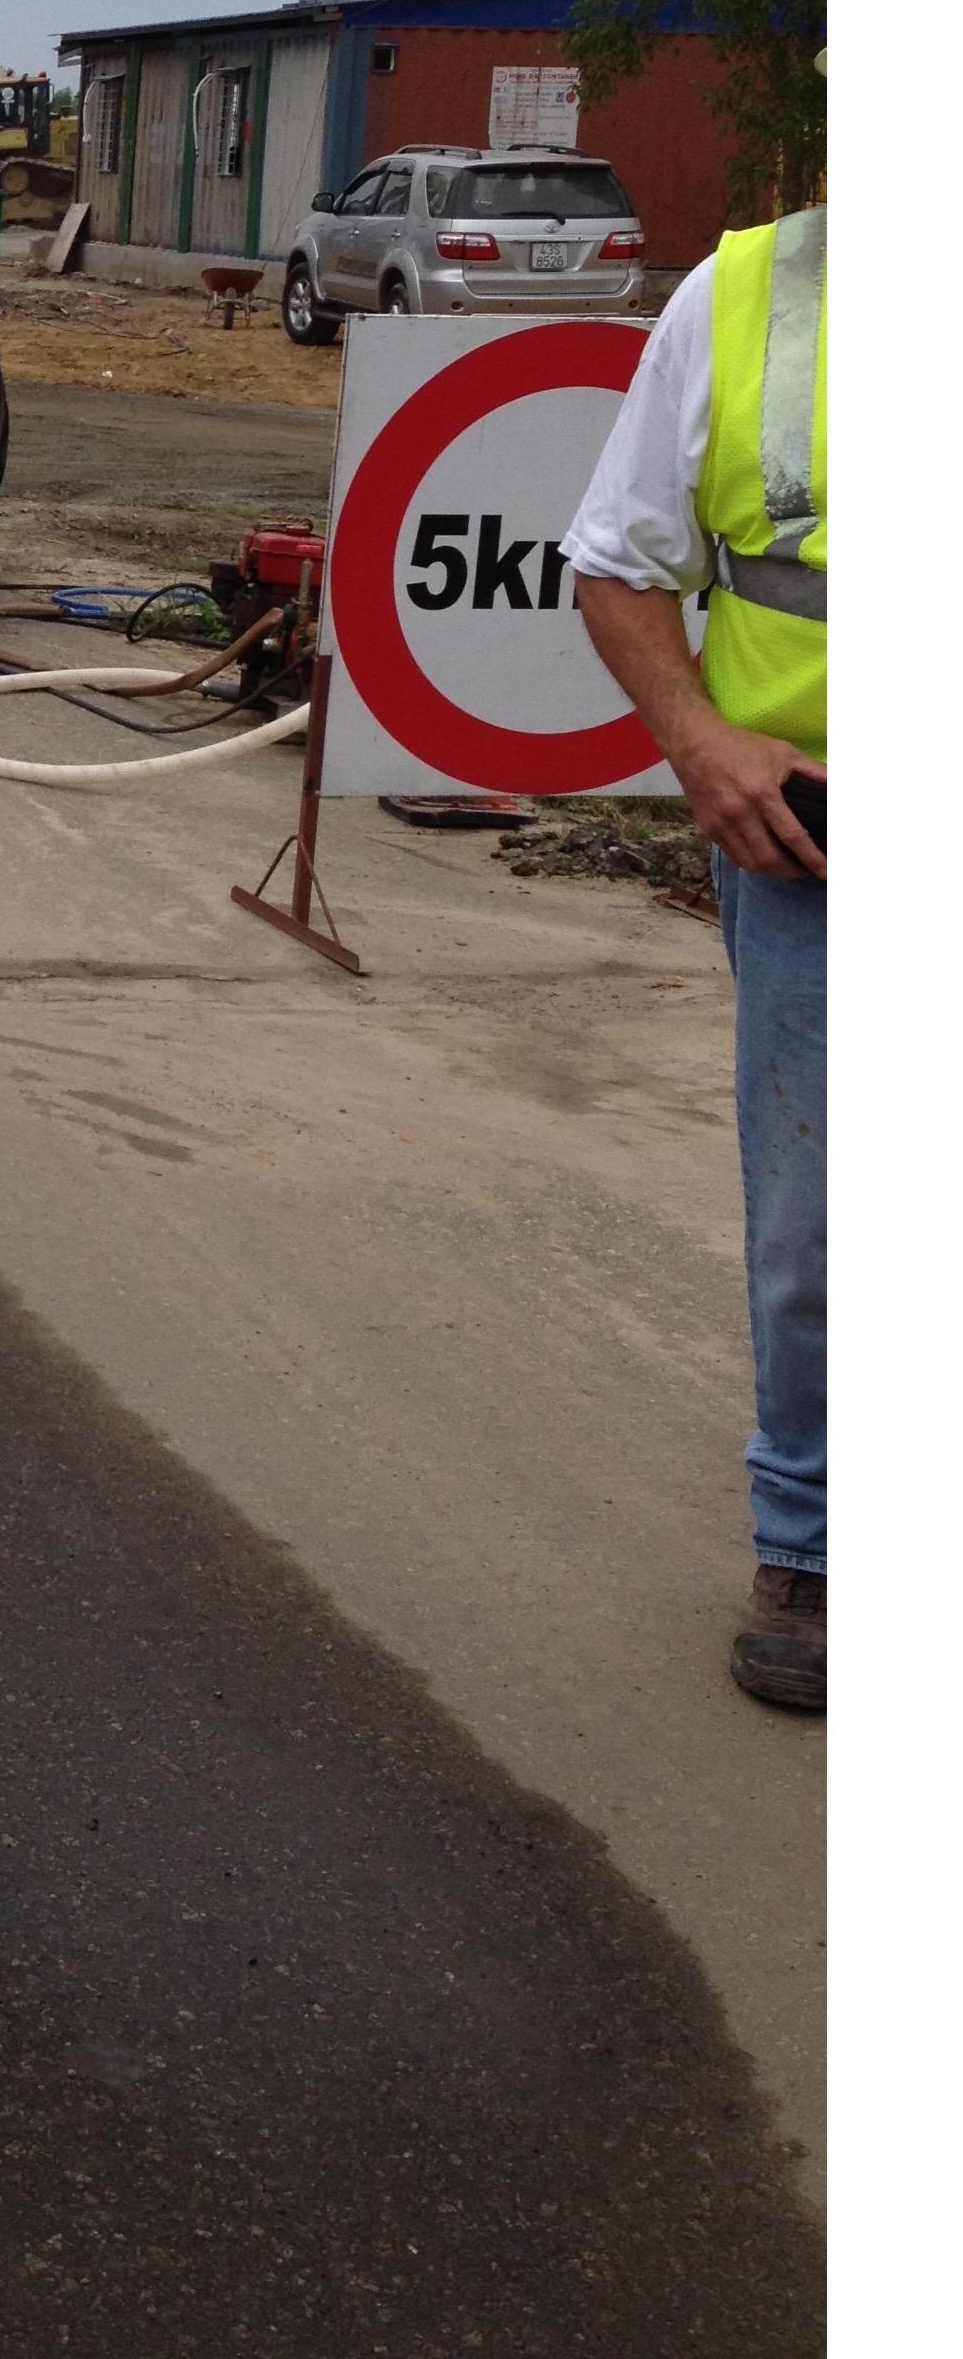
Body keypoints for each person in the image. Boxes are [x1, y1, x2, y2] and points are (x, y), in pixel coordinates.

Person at [566, 144, 826, 1714]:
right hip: (817, 850)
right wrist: (699, 739)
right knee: (823, 1226)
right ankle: (812, 1545)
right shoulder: (746, 302)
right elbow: (618, 564)